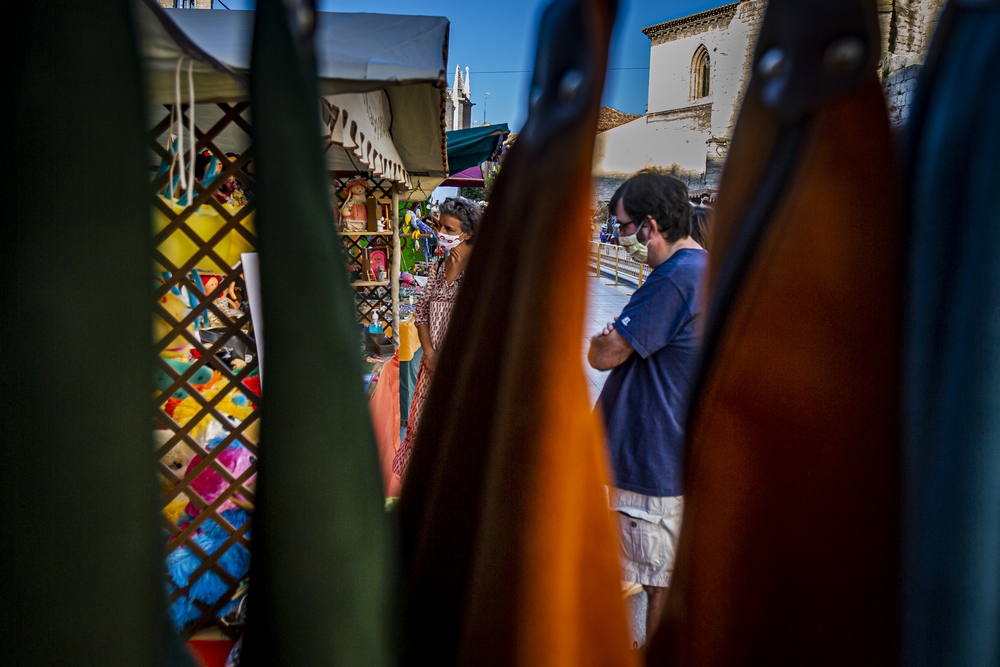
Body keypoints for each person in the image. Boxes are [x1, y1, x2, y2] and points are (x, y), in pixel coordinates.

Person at [587, 170, 707, 641]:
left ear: (650, 226)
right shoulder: (696, 271)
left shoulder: (676, 279)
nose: (618, 238)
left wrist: (611, 337)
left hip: (653, 460)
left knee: (658, 584)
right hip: (665, 453)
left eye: (621, 226)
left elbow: (604, 354)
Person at [392, 196, 482, 479]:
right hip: (432, 366)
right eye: (440, 226)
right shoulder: (436, 267)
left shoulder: (480, 271)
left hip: (465, 367)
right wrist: (430, 353)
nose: (441, 233)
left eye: (450, 229)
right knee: (425, 428)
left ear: (467, 234)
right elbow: (421, 313)